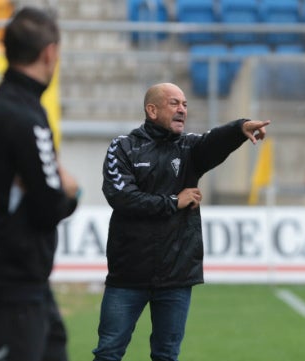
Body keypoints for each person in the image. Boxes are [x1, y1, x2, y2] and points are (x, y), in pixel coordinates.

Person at [92, 82, 270, 361]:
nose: (182, 109)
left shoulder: (189, 148)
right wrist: (174, 202)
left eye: (185, 104)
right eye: (174, 103)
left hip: (176, 277)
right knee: (108, 353)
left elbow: (214, 141)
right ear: (152, 110)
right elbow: (122, 197)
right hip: (127, 275)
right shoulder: (123, 147)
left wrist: (239, 128)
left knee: (166, 355)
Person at [0, 7, 80, 361]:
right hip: (6, 289)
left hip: (22, 286)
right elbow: (49, 206)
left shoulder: (11, 103)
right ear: (50, 53)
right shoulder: (24, 115)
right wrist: (70, 191)